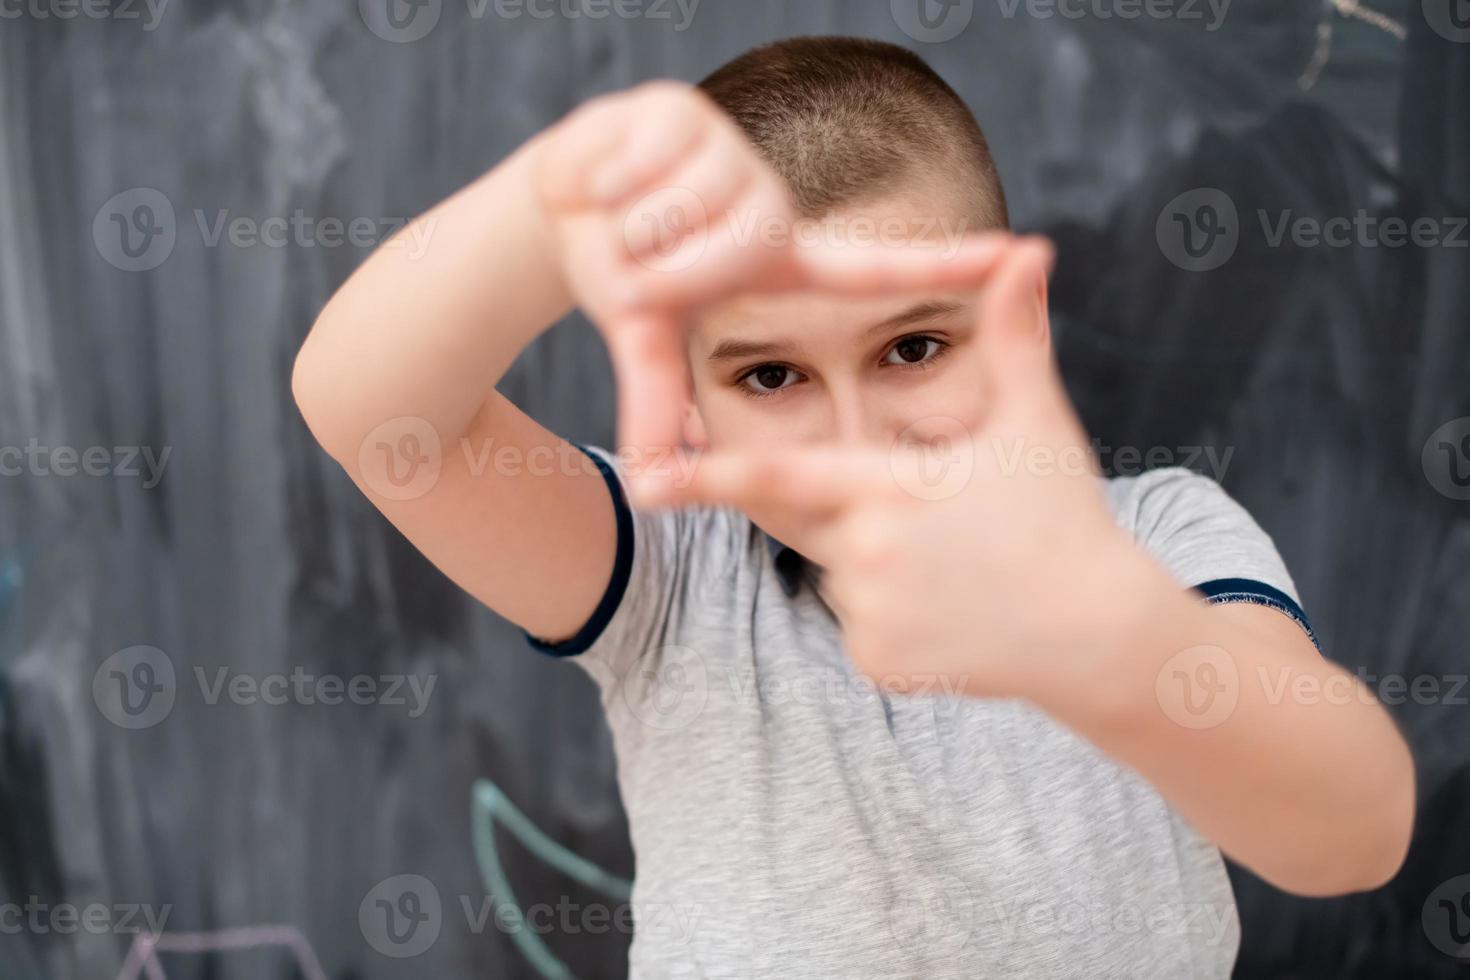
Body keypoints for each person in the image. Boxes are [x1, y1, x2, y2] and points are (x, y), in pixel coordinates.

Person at [292, 35, 1415, 979]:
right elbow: (372, 409)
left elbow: (1353, 830)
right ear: (689, 397)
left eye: (913, 347)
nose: (854, 438)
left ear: (1018, 318)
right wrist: (550, 207)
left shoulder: (1159, 538)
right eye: (770, 376)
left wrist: (1102, 634)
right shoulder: (670, 577)